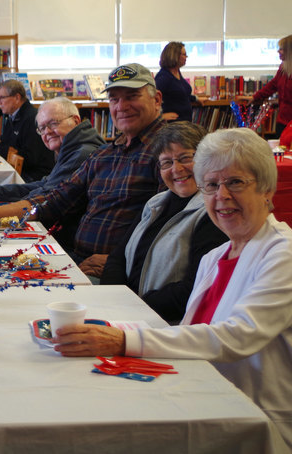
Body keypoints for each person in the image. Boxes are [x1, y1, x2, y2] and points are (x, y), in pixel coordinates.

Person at [53, 128, 292, 447]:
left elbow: (238, 335)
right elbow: (191, 331)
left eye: (235, 182)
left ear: (266, 189)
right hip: (202, 398)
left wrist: (125, 340)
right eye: (211, 185)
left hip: (255, 421)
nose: (221, 195)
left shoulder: (283, 254)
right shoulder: (216, 256)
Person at [16, 63, 166, 277]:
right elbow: (57, 200)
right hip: (77, 258)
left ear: (157, 99)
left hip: (116, 273)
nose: (122, 106)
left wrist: (120, 261)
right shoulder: (106, 153)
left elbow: (168, 226)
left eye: (132, 96)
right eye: (114, 99)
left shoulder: (169, 152)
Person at [100, 122, 228, 324]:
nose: (177, 169)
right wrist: (113, 299)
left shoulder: (213, 212)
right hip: (125, 312)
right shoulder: (155, 203)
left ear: (206, 160)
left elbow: (194, 288)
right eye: (167, 162)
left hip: (165, 324)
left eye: (185, 158)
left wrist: (134, 307)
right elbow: (118, 257)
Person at [0, 97, 105, 248]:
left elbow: (47, 200)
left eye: (53, 123)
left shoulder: (83, 153)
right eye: (42, 128)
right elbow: (43, 185)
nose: (47, 132)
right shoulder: (72, 148)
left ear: (76, 121)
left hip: (67, 241)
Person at [0, 79, 54, 182]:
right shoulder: (11, 116)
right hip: (19, 171)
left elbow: (30, 158)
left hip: (34, 176)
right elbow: (8, 145)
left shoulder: (32, 118)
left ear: (17, 97)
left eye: (2, 98)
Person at [250, 34, 292, 139]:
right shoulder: (283, 68)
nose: (278, 51)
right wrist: (255, 97)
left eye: (281, 49)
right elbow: (273, 85)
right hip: (282, 121)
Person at [155, 42, 198, 122]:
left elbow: (182, 95)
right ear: (174, 55)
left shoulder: (176, 72)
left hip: (184, 123)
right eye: (184, 54)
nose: (186, 57)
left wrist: (196, 99)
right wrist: (160, 116)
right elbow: (150, 98)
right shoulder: (164, 77)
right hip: (173, 125)